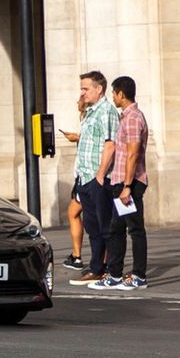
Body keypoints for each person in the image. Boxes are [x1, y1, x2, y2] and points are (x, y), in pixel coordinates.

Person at [92, 76, 150, 291]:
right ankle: (115, 274)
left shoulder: (133, 117)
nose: (113, 97)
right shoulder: (125, 117)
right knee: (116, 228)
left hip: (130, 182)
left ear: (121, 94)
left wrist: (127, 186)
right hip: (120, 181)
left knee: (135, 229)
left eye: (114, 93)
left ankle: (139, 276)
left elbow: (133, 154)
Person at [69, 71, 117, 286]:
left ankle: (110, 269)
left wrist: (100, 175)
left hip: (98, 178)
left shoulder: (107, 111)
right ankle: (96, 267)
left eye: (86, 88)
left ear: (99, 89)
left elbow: (110, 144)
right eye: (81, 88)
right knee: (92, 225)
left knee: (105, 225)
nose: (82, 92)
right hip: (84, 177)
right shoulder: (90, 112)